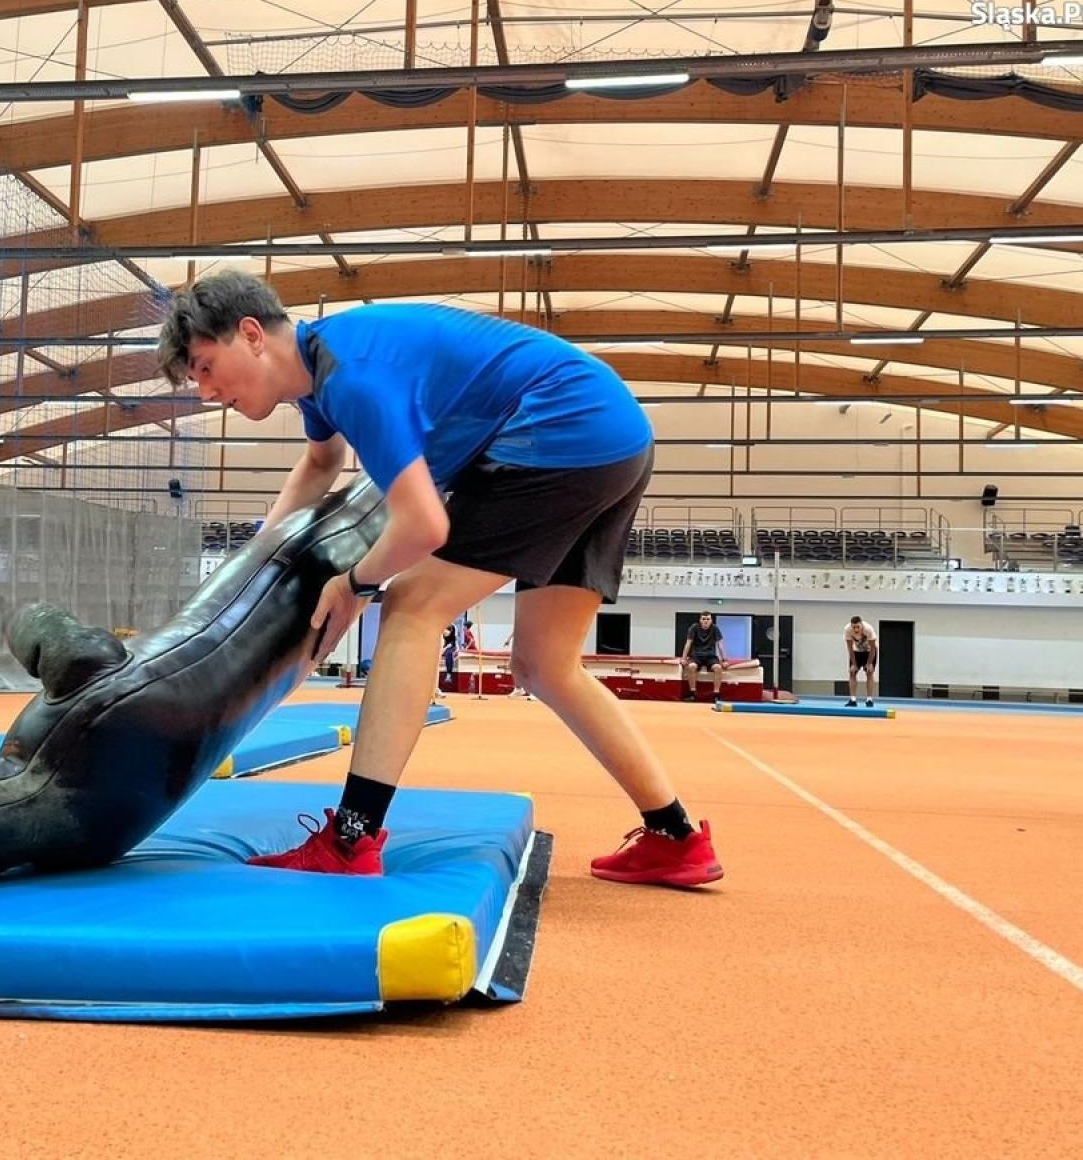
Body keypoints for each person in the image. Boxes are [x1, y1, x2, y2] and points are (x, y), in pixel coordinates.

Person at [157, 271, 722, 887]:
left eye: (207, 367)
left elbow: (424, 525)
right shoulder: (321, 375)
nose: (207, 392)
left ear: (250, 335)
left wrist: (355, 584)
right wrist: (260, 559)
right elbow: (322, 462)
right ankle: (675, 836)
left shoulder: (353, 378)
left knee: (410, 607)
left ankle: (352, 837)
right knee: (544, 665)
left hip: (562, 434)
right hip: (612, 437)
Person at [679, 611, 727, 704]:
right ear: (700, 620)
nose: (706, 621)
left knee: (718, 668)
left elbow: (720, 645)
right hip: (696, 655)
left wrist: (724, 659)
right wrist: (683, 658)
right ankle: (693, 693)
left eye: (708, 619)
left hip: (711, 656)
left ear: (711, 620)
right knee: (691, 667)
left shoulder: (715, 628)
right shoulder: (694, 628)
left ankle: (716, 695)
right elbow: (688, 643)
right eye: (704, 619)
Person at [844, 615, 878, 707]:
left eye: (857, 627)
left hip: (869, 651)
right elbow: (850, 648)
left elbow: (873, 648)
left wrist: (869, 663)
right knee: (852, 672)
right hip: (856, 652)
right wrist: (854, 664)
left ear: (861, 625)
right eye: (853, 627)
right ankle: (853, 699)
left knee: (869, 672)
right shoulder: (847, 630)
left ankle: (869, 699)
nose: (855, 629)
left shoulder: (868, 629)